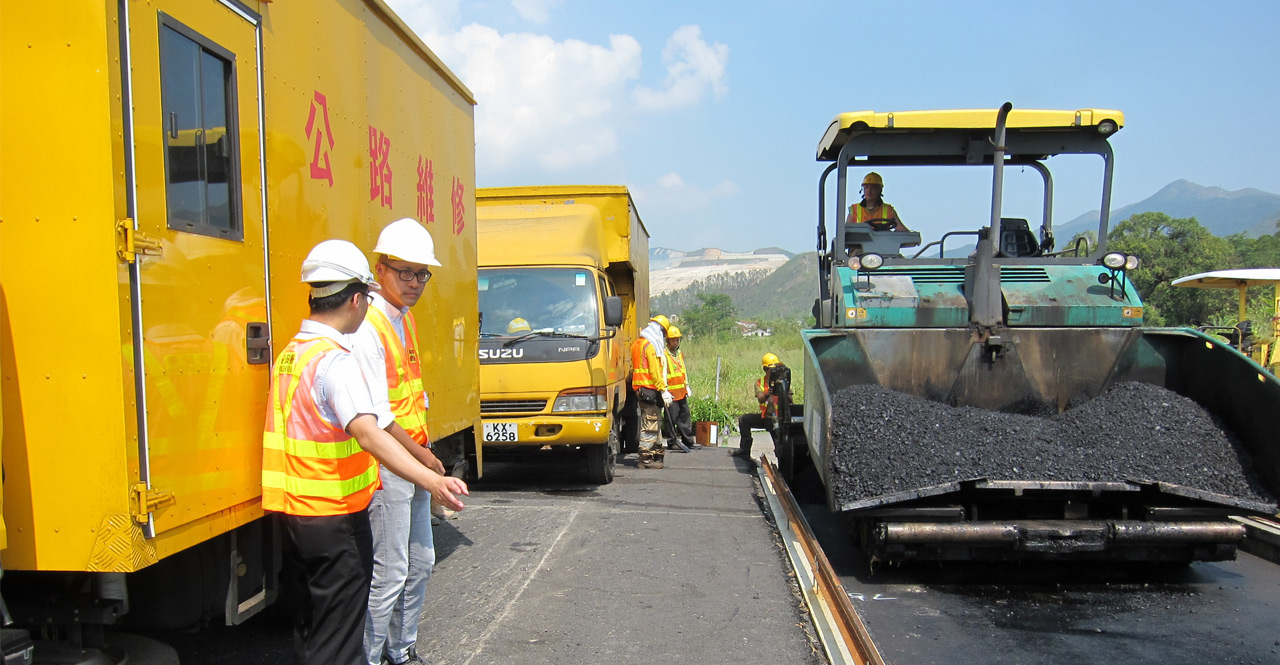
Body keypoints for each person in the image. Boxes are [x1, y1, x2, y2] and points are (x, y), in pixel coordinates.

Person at [263, 239, 467, 665]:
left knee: (314, 630)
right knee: (340, 636)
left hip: (296, 515)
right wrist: (432, 479)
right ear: (357, 300)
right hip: (334, 516)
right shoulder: (334, 361)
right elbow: (370, 433)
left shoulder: (293, 353)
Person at [351, 219, 448, 665]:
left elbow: (410, 395)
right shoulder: (368, 324)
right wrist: (424, 457)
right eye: (404, 272)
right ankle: (370, 657)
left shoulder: (402, 319)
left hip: (409, 458)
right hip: (387, 463)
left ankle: (401, 648)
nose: (414, 283)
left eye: (421, 273)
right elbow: (378, 415)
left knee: (421, 561)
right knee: (390, 572)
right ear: (380, 268)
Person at [630, 314, 672, 469]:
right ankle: (645, 458)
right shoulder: (649, 346)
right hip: (649, 389)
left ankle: (656, 454)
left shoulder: (636, 344)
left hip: (640, 389)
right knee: (650, 423)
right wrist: (663, 389)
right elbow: (654, 371)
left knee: (653, 422)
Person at [733, 353, 783, 461]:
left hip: (780, 418)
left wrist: (782, 391)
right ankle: (745, 451)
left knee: (780, 444)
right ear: (765, 369)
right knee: (744, 420)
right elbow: (760, 398)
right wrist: (768, 393)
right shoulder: (760, 382)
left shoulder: (782, 381)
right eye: (772, 370)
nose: (775, 372)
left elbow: (790, 400)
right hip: (766, 417)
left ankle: (782, 465)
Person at [663, 326, 697, 451]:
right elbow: (662, 373)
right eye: (673, 340)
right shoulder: (664, 355)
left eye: (677, 340)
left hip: (681, 392)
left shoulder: (679, 354)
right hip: (671, 393)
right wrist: (664, 390)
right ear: (668, 341)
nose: (676, 342)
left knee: (685, 417)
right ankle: (672, 442)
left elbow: (683, 371)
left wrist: (687, 385)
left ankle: (688, 441)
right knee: (671, 419)